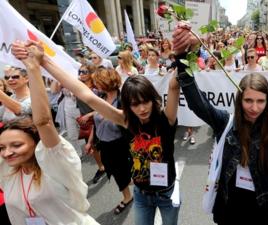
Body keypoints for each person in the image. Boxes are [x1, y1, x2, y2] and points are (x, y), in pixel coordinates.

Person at [171, 16, 268, 225]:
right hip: (228, 203)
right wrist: (182, 55)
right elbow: (197, 103)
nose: (254, 107)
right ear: (239, 99)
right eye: (248, 100)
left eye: (261, 101)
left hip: (259, 204)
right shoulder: (225, 122)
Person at [12, 39, 181, 225]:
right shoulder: (125, 120)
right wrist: (43, 61)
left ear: (153, 99)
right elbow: (86, 95)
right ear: (127, 106)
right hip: (141, 194)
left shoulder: (166, 120)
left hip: (166, 194)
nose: (141, 109)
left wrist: (182, 52)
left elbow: (173, 86)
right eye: (135, 104)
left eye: (145, 101)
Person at [4, 41, 99, 225]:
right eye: (2, 148)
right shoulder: (7, 171)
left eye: (16, 145)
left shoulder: (52, 162)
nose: (7, 152)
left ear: (36, 142)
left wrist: (33, 68)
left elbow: (43, 122)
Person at [85, 67, 133, 214]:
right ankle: (129, 189)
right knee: (114, 171)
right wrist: (90, 141)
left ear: (105, 81)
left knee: (122, 172)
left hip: (120, 145)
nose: (94, 84)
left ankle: (127, 197)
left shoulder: (123, 100)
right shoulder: (101, 99)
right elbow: (97, 122)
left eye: (97, 81)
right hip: (104, 145)